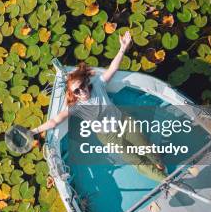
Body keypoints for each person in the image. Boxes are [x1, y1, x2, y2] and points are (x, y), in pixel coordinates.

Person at [29, 31, 167, 182]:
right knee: (136, 161)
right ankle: (164, 179)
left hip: (123, 122)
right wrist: (33, 131)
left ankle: (159, 163)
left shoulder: (98, 85)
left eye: (82, 86)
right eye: (76, 90)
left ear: (86, 83)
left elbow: (112, 68)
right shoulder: (75, 107)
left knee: (145, 146)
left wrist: (123, 48)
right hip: (109, 136)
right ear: (73, 94)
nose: (81, 91)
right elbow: (54, 121)